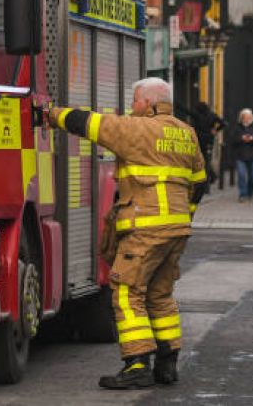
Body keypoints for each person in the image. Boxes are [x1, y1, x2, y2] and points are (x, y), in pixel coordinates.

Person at [47, 77, 206, 390]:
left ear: (147, 103)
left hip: (145, 229)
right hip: (176, 230)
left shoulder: (138, 129)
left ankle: (136, 364)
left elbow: (89, 123)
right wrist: (182, 218)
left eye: (134, 101)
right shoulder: (187, 134)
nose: (131, 108)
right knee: (160, 295)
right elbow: (200, 183)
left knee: (126, 291)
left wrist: (51, 114)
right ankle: (167, 363)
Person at [192, 102, 226, 186]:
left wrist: (177, 105)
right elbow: (223, 123)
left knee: (200, 159)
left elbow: (188, 112)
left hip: (199, 139)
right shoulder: (212, 115)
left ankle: (208, 178)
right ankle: (210, 177)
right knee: (206, 159)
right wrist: (215, 130)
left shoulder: (198, 115)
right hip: (208, 140)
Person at [231, 108, 253, 202]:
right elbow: (232, 140)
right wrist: (241, 138)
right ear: (241, 118)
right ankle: (243, 194)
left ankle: (250, 193)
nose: (247, 118)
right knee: (241, 175)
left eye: (249, 117)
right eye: (245, 117)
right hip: (240, 156)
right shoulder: (237, 127)